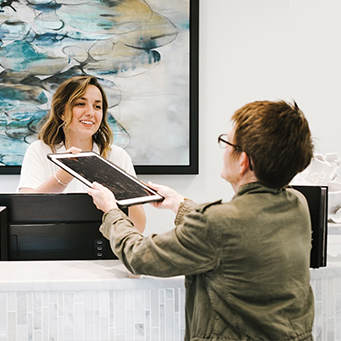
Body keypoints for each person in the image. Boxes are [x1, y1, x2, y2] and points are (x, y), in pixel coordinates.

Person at [88, 100, 315, 340]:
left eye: (227, 142)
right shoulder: (297, 204)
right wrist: (178, 203)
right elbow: (241, 228)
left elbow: (138, 255)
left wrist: (111, 210)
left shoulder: (217, 224)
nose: (224, 150)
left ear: (243, 162)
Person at [18, 75, 146, 232]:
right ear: (61, 112)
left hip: (108, 250)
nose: (91, 113)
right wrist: (62, 178)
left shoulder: (118, 156)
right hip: (51, 250)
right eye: (80, 104)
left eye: (97, 107)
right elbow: (26, 213)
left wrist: (118, 188)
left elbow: (138, 227)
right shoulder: (39, 151)